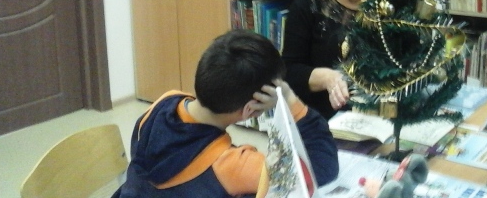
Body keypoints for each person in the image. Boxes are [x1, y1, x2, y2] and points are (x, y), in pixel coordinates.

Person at [112, 29, 339, 197]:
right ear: (249, 110)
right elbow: (320, 170)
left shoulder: (164, 102)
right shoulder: (233, 165)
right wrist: (289, 98)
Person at [282, 0, 381, 119]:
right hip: (321, 116)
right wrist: (328, 78)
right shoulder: (308, 7)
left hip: (376, 115)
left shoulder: (386, 9)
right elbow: (289, 72)